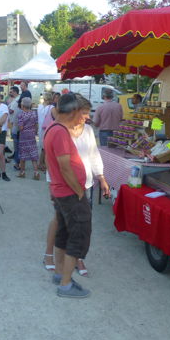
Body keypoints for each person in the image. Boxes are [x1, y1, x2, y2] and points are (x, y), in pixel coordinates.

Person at [43, 93, 110, 298]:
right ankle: (65, 284)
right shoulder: (61, 132)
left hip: (63, 191)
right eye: (82, 113)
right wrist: (80, 191)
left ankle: (59, 273)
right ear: (72, 111)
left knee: (63, 232)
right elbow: (64, 167)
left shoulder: (54, 129)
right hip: (70, 193)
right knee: (78, 235)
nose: (86, 117)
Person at [17, 97, 40, 180]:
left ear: (22, 105)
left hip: (23, 136)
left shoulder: (21, 114)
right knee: (33, 153)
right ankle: (36, 173)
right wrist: (34, 132)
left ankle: (22, 172)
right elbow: (36, 125)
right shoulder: (34, 113)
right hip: (32, 135)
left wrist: (19, 127)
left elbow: (21, 127)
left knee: (23, 154)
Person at [38, 92, 55, 171]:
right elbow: (57, 118)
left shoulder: (39, 107)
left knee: (43, 148)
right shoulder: (52, 108)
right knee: (48, 148)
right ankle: (44, 164)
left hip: (41, 129)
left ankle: (41, 163)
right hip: (49, 129)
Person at [7, 86, 21, 170]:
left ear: (15, 92)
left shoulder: (16, 100)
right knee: (15, 143)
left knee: (16, 144)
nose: (10, 93)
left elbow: (11, 110)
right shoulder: (15, 99)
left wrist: (5, 109)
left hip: (15, 124)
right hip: (14, 123)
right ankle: (16, 159)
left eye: (11, 92)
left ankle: (17, 162)